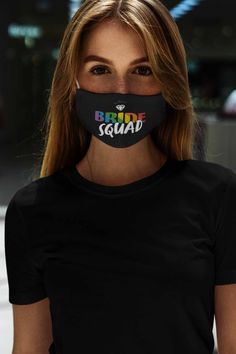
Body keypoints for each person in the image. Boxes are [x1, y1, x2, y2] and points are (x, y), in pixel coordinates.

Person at [4, 1, 236, 353]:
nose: (121, 92)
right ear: (73, 80)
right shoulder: (31, 211)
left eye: (142, 70)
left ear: (168, 78)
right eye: (100, 70)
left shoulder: (218, 196)